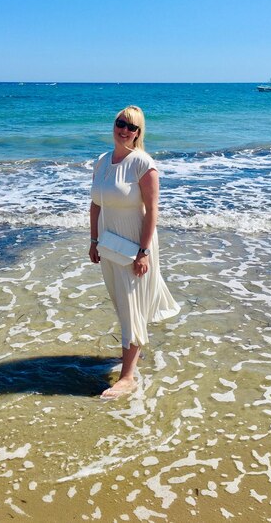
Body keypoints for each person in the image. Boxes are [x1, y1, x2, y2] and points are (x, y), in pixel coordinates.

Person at [89, 105, 180, 399]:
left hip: (134, 245)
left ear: (139, 133)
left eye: (131, 127)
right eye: (120, 123)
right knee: (122, 303)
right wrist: (93, 240)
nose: (124, 130)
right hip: (109, 242)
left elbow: (153, 210)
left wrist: (143, 252)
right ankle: (133, 354)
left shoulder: (143, 163)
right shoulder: (102, 161)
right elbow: (95, 204)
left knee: (132, 306)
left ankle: (128, 378)